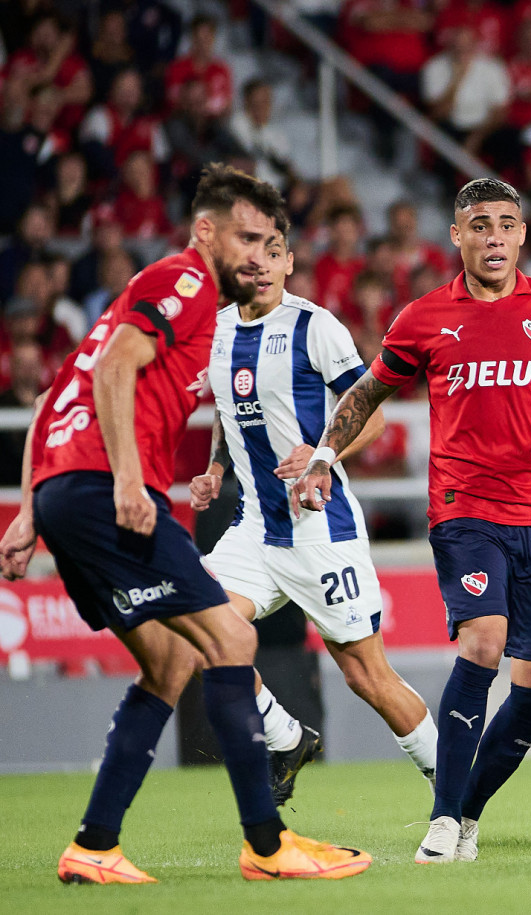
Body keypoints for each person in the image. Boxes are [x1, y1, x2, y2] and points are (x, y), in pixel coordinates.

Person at [0, 164, 370, 883]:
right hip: (105, 489)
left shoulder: (152, 298)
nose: (256, 256)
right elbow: (111, 370)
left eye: (268, 242)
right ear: (206, 233)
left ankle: (94, 845)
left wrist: (26, 511)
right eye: (245, 238)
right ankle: (268, 846)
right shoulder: (189, 281)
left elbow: (52, 394)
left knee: (170, 662)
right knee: (232, 636)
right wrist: (132, 481)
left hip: (64, 492)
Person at [292, 178, 531, 864]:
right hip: (466, 511)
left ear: (523, 235)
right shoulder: (425, 317)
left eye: (506, 224)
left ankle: (465, 812)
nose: (494, 236)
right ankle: (440, 819)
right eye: (480, 225)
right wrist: (322, 455)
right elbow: (367, 392)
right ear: (457, 236)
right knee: (483, 642)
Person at [188, 228, 440, 813]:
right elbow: (235, 411)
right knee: (199, 627)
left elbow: (370, 416)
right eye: (249, 258)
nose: (263, 267)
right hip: (255, 526)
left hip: (318, 528)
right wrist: (215, 468)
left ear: (290, 263)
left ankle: (453, 784)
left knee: (366, 677)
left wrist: (322, 454)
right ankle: (287, 738)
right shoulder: (219, 332)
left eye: (274, 255)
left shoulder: (314, 327)